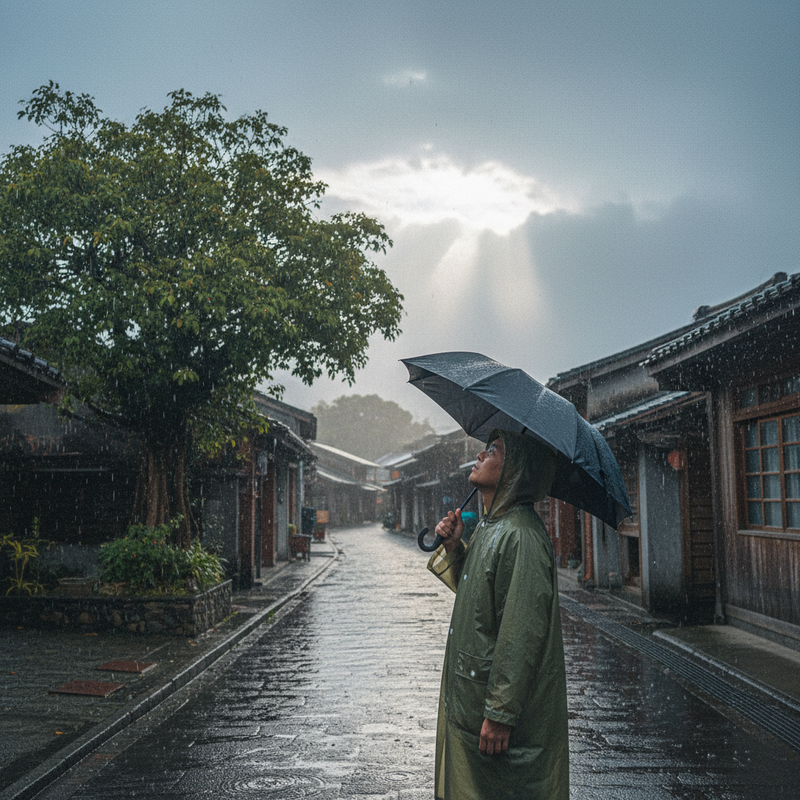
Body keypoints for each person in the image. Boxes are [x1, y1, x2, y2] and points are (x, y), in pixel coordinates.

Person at [427, 428, 569, 799]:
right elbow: (481, 602)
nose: (480, 455)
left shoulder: (520, 534)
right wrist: (457, 547)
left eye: (493, 450)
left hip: (495, 714)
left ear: (516, 469)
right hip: (474, 701)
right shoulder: (492, 526)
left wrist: (502, 712)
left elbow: (522, 630)